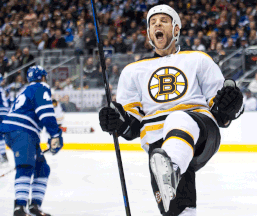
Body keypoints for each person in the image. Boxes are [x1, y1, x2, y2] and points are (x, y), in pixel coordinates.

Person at [99, 5, 244, 216]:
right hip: (158, 147)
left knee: (178, 118)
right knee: (178, 212)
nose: (157, 24)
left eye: (164, 20)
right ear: (149, 33)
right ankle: (170, 168)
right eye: (152, 22)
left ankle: (171, 168)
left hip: (201, 133)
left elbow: (222, 112)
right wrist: (116, 121)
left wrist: (232, 105)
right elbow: (132, 126)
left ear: (176, 29)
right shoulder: (132, 72)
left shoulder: (198, 59)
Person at [0, 66, 63, 216]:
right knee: (26, 166)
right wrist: (55, 135)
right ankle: (19, 208)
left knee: (42, 168)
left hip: (20, 131)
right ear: (43, 77)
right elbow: (46, 112)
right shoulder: (41, 87)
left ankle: (34, 207)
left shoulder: (26, 90)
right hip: (22, 130)